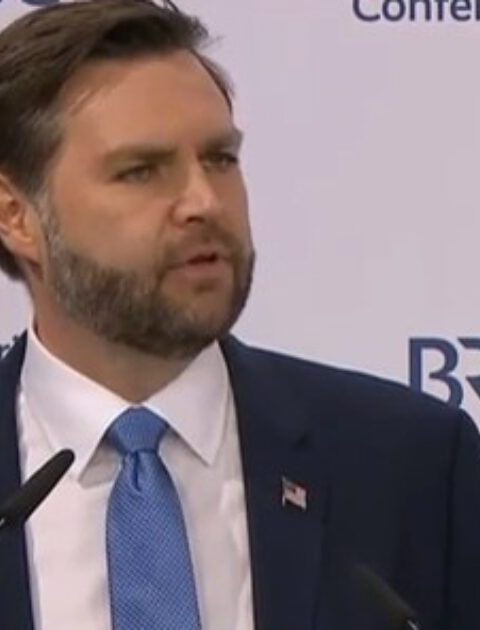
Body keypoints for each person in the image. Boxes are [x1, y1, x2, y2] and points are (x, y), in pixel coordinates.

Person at [0, 1, 478, 629]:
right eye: (141, 172)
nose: (203, 201)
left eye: (220, 159)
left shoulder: (411, 462)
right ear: (16, 217)